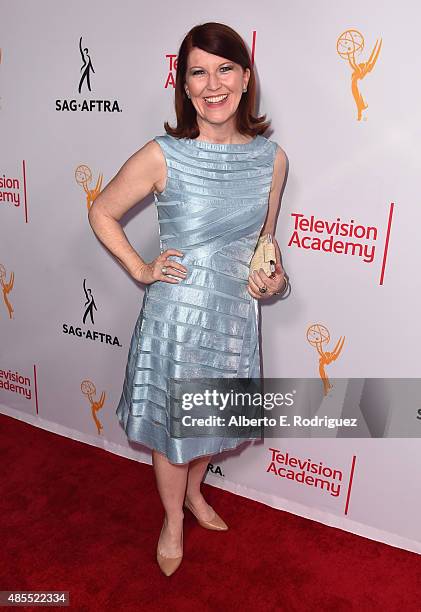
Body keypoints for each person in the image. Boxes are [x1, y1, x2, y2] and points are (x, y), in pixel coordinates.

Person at [88, 21, 288, 576]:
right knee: (171, 428)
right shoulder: (163, 155)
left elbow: (264, 250)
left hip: (231, 321)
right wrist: (141, 268)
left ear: (246, 78)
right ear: (184, 85)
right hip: (176, 320)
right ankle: (172, 519)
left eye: (225, 69)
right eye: (198, 72)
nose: (213, 83)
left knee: (210, 424)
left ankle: (196, 495)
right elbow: (102, 211)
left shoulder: (272, 160)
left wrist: (274, 282)